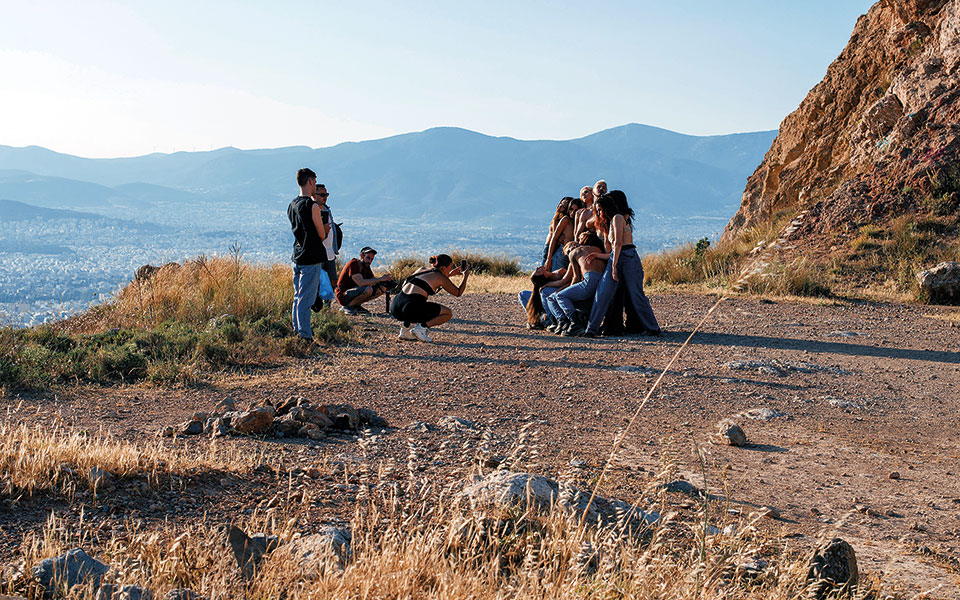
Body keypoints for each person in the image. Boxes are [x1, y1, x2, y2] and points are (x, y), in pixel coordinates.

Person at [583, 192, 660, 338]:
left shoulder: (618, 218)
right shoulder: (612, 221)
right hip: (617, 257)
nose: (598, 213)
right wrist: (599, 256)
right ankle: (591, 330)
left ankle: (653, 328)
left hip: (628, 257)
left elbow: (619, 243)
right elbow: (615, 249)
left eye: (600, 210)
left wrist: (613, 266)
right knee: (603, 293)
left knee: (636, 294)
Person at [288, 168, 334, 342]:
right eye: (315, 181)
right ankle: (305, 335)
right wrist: (325, 228)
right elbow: (321, 235)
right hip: (311, 256)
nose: (315, 185)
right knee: (306, 299)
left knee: (298, 296)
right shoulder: (312, 206)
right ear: (310, 182)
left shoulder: (292, 204)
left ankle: (297, 330)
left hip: (297, 255)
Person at [390, 254, 469, 342]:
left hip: (395, 307)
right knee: (447, 313)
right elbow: (458, 292)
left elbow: (432, 279)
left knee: (416, 301)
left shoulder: (422, 269)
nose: (451, 270)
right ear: (443, 268)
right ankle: (421, 329)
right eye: (450, 268)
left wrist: (450, 274)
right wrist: (465, 276)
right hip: (409, 309)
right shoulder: (441, 278)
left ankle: (404, 331)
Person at [545, 231, 607, 336]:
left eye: (568, 251)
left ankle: (575, 324)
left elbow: (576, 278)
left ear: (573, 245)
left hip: (589, 281)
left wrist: (566, 290)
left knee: (560, 296)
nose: (569, 254)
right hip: (602, 283)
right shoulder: (598, 249)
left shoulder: (576, 252)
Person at [336, 247, 393, 315]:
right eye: (368, 258)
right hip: (343, 295)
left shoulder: (366, 266)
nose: (370, 261)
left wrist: (386, 281)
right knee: (368, 290)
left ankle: (356, 306)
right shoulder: (353, 264)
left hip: (354, 291)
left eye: (372, 259)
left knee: (381, 288)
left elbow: (373, 280)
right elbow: (361, 283)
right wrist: (380, 279)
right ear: (362, 256)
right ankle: (347, 307)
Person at [543, 196, 584, 271]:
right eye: (571, 209)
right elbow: (554, 237)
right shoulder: (566, 220)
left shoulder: (578, 222)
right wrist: (548, 260)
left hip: (571, 253)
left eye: (576, 210)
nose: (572, 213)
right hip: (562, 253)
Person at [313, 183, 339, 295]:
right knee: (319, 281)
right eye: (322, 194)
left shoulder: (327, 209)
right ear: (314, 195)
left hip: (330, 253)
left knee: (332, 280)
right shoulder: (313, 210)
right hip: (319, 253)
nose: (325, 197)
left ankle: (327, 305)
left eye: (326, 194)